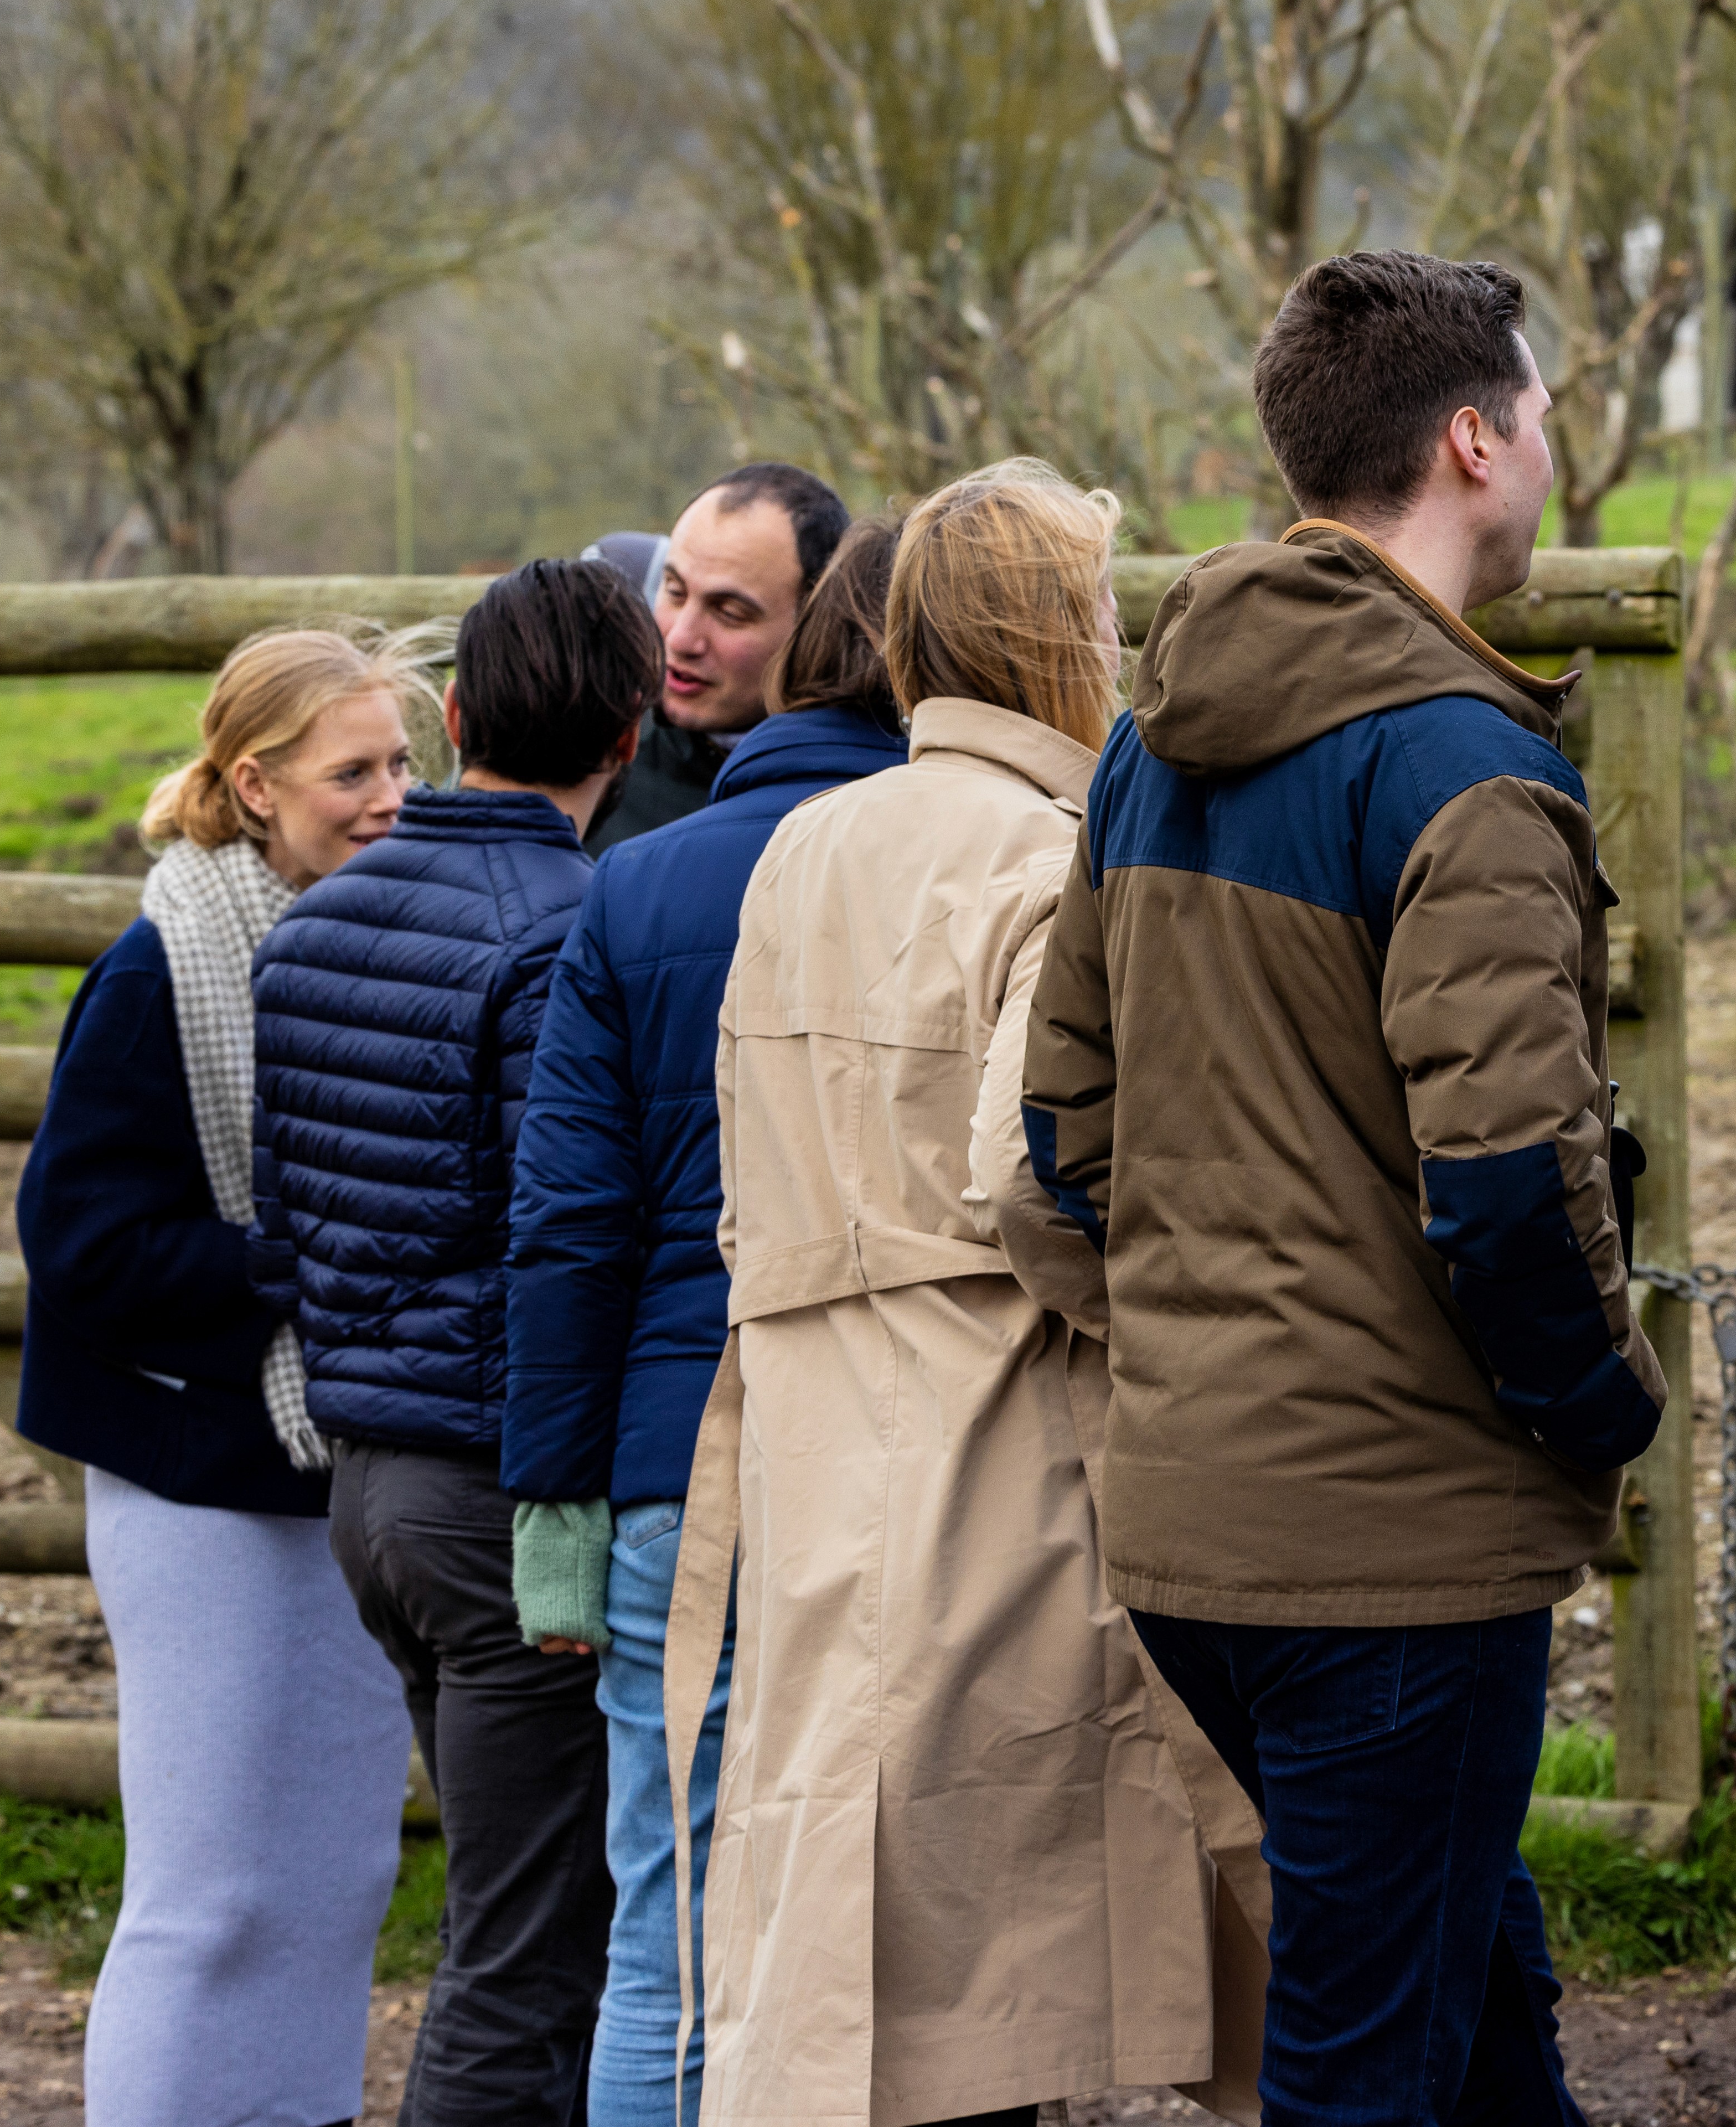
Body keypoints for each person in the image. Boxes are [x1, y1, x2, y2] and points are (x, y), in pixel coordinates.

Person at [1005, 252, 1656, 2126]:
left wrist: (1221, 1327)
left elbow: (1065, 1135)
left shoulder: (1146, 747)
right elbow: (1513, 1177)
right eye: (1538, 414)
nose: (1549, 447)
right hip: (1393, 1541)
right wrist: (1600, 1404)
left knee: (1470, 1979)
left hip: (1195, 1519)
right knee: (1363, 2063)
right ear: (1473, 438)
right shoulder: (1466, 769)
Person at [678, 461, 1265, 2124]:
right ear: (1045, 632)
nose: (1114, 633)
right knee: (997, 1964)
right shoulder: (1050, 850)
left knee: (882, 1969)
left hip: (815, 1457)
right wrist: (1127, 1310)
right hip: (999, 1447)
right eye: (1094, 605)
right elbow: (1035, 1168)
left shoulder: (799, 844)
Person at [507, 519, 910, 2127]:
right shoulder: (975, 865)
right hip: (902, 1462)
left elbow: (567, 1228)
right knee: (888, 1940)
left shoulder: (633, 888)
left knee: (666, 1942)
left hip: (677, 1471)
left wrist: (556, 1510)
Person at [255, 560, 665, 2124]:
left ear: (456, 713)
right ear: (631, 734)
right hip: (511, 1514)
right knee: (529, 1955)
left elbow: (288, 1231)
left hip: (374, 1490)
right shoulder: (573, 934)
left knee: (516, 1921)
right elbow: (565, 1251)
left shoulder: (307, 931)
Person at [18, 628, 431, 2127]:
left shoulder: (357, 940)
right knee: (206, 1897)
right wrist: (298, 1262)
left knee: (336, 1876)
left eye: (400, 763)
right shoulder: (161, 972)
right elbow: (79, 1244)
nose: (390, 795)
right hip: (193, 1474)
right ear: (254, 784)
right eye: (354, 771)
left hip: (331, 1462)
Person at [589, 463, 849, 855]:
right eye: (674, 591)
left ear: (816, 628)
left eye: (729, 613)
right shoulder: (591, 756)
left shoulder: (866, 790)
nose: (681, 638)